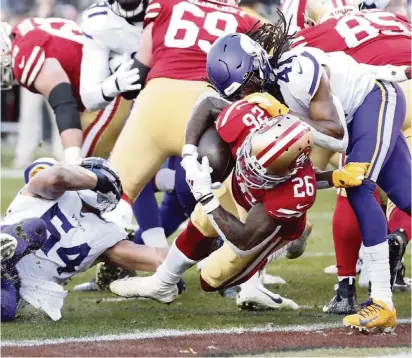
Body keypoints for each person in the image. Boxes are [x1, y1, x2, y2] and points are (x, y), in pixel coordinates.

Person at [201, 13, 410, 331]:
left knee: (360, 186)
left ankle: (381, 301)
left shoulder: (295, 69)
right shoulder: (263, 101)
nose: (247, 95)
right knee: (408, 199)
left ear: (259, 65)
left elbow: (337, 135)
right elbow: (301, 174)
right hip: (356, 118)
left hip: (375, 97)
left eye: (248, 85)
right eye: (239, 93)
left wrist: (284, 115)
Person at [293, 0, 412, 312]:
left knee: (355, 185)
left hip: (379, 94)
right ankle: (396, 241)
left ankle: (352, 288)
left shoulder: (326, 32)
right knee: (404, 192)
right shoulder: (395, 20)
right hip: (395, 85)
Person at [106, 0, 261, 227]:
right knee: (229, 200)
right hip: (207, 110)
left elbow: (139, 69)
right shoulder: (246, 21)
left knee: (114, 193)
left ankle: (97, 249)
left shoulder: (166, 4)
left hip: (155, 102)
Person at [0, 157, 170, 321]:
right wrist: (98, 181)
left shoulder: (105, 234)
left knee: (7, 310)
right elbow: (58, 176)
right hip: (10, 234)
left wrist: (191, 248)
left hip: (14, 285)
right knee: (33, 228)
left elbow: (160, 259)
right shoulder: (54, 188)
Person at [0, 18, 132, 165]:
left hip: (111, 88)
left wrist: (72, 159)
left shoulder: (24, 53)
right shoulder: (24, 28)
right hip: (118, 74)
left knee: (85, 172)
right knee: (130, 164)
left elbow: (64, 103)